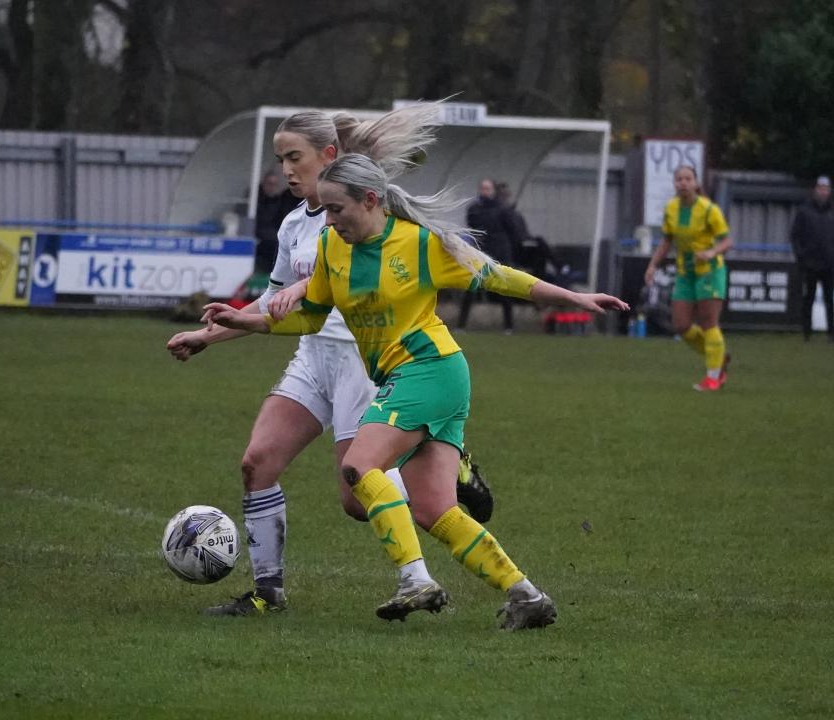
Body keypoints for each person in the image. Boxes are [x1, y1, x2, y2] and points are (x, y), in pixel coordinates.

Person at [199, 153, 629, 629]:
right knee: (433, 510)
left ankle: (414, 580)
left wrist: (576, 298)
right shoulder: (330, 248)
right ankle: (526, 596)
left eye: (339, 209)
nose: (332, 220)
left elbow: (500, 277)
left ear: (370, 199)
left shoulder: (420, 244)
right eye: (327, 210)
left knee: (359, 467)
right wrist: (246, 320)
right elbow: (312, 316)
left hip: (430, 370)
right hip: (414, 378)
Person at [166, 106, 494, 617]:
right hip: (312, 356)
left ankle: (448, 476)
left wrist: (307, 285)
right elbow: (271, 303)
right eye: (280, 160)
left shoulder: (369, 216)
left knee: (357, 499)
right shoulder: (295, 223)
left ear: (330, 156)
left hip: (363, 361)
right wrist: (209, 333)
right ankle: (267, 594)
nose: (286, 171)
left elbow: (351, 274)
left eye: (294, 158)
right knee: (257, 463)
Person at [644, 164, 733, 391]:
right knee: (681, 326)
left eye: (688, 178)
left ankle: (713, 377)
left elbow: (727, 241)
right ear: (675, 183)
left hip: (710, 271)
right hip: (685, 272)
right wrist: (653, 265)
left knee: (708, 322)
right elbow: (666, 241)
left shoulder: (708, 209)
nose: (683, 183)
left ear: (695, 183)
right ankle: (718, 355)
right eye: (679, 179)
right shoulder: (671, 208)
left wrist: (712, 252)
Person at [456, 179, 522, 333]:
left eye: (488, 188)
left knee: (504, 287)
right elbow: (472, 225)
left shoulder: (503, 209)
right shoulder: (474, 208)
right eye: (482, 188)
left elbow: (512, 231)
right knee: (471, 286)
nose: (485, 191)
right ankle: (460, 325)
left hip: (500, 251)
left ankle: (508, 326)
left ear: (493, 191)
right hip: (481, 251)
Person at [790, 175, 834, 341]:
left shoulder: (832, 212)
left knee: (830, 299)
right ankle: (807, 334)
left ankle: (831, 333)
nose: (823, 192)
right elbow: (794, 236)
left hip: (829, 264)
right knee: (808, 298)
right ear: (815, 190)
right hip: (810, 264)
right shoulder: (804, 211)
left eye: (826, 189)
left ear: (829, 191)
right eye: (820, 188)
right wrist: (801, 256)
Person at [253, 171, 297, 274]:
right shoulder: (255, 200)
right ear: (263, 184)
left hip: (274, 239)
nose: (272, 187)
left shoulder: (281, 201)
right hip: (259, 239)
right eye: (269, 184)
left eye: (274, 185)